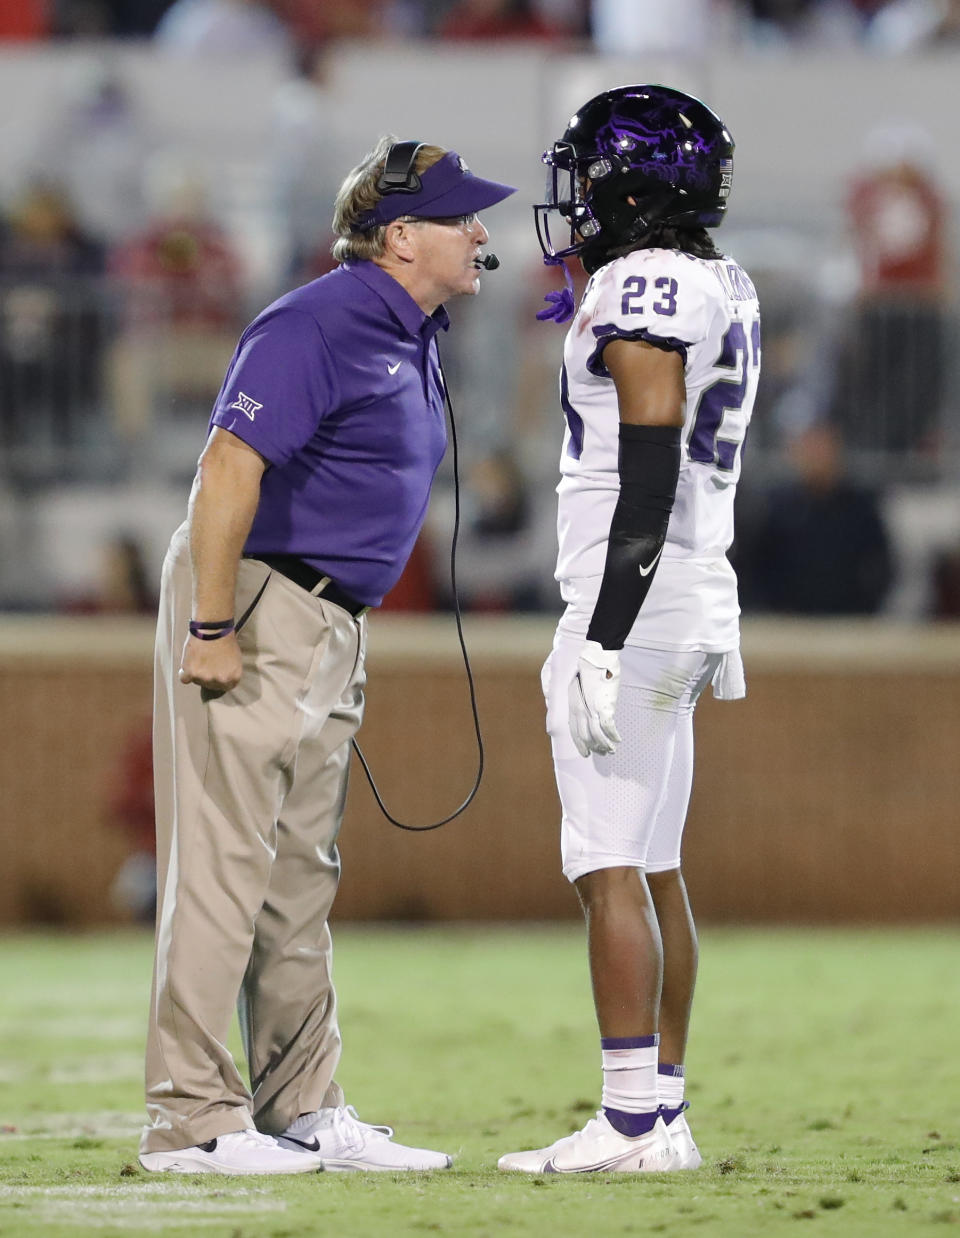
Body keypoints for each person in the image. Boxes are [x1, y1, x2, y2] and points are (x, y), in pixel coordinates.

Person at [140, 135, 514, 1175]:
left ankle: (301, 1103)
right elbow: (225, 468)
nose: (482, 232)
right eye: (461, 217)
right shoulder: (318, 319)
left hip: (327, 616)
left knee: (299, 875)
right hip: (260, 601)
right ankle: (191, 1120)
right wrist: (213, 626)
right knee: (225, 865)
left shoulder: (406, 324)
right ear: (401, 237)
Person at [498, 85, 760, 1175]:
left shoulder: (645, 287)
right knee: (653, 864)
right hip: (688, 589)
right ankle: (666, 1108)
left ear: (632, 182)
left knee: (609, 860)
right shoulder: (719, 279)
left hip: (638, 600)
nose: (580, 197)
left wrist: (601, 636)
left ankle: (629, 1121)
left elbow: (647, 470)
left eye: (594, 174)